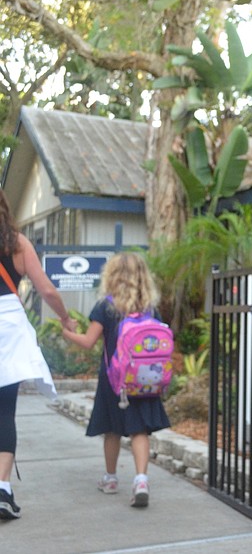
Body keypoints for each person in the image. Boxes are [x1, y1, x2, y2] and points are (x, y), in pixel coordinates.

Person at [62, 252, 170, 508]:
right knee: (139, 429)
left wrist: (68, 333)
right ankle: (141, 480)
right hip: (146, 379)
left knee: (112, 429)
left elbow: (88, 342)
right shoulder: (150, 308)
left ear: (112, 275)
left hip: (114, 379)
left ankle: (110, 479)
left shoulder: (106, 306)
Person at [0, 189, 76, 520]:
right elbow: (46, 289)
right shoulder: (16, 242)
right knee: (4, 409)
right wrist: (64, 317)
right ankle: (1, 487)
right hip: (8, 327)